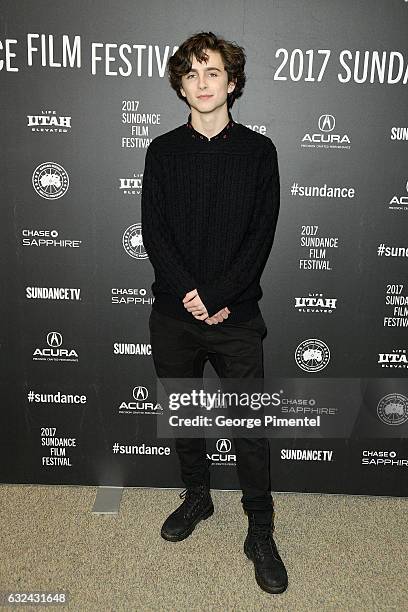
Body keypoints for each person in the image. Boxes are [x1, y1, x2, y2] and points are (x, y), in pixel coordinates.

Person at [141, 31, 288, 595]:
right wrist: (189, 295)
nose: (203, 84)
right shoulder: (162, 152)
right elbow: (155, 232)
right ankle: (197, 498)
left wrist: (221, 297)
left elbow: (260, 236)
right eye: (192, 74)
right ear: (180, 84)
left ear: (232, 82)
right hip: (175, 314)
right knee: (184, 414)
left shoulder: (259, 153)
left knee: (250, 427)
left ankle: (260, 528)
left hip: (238, 317)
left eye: (213, 73)